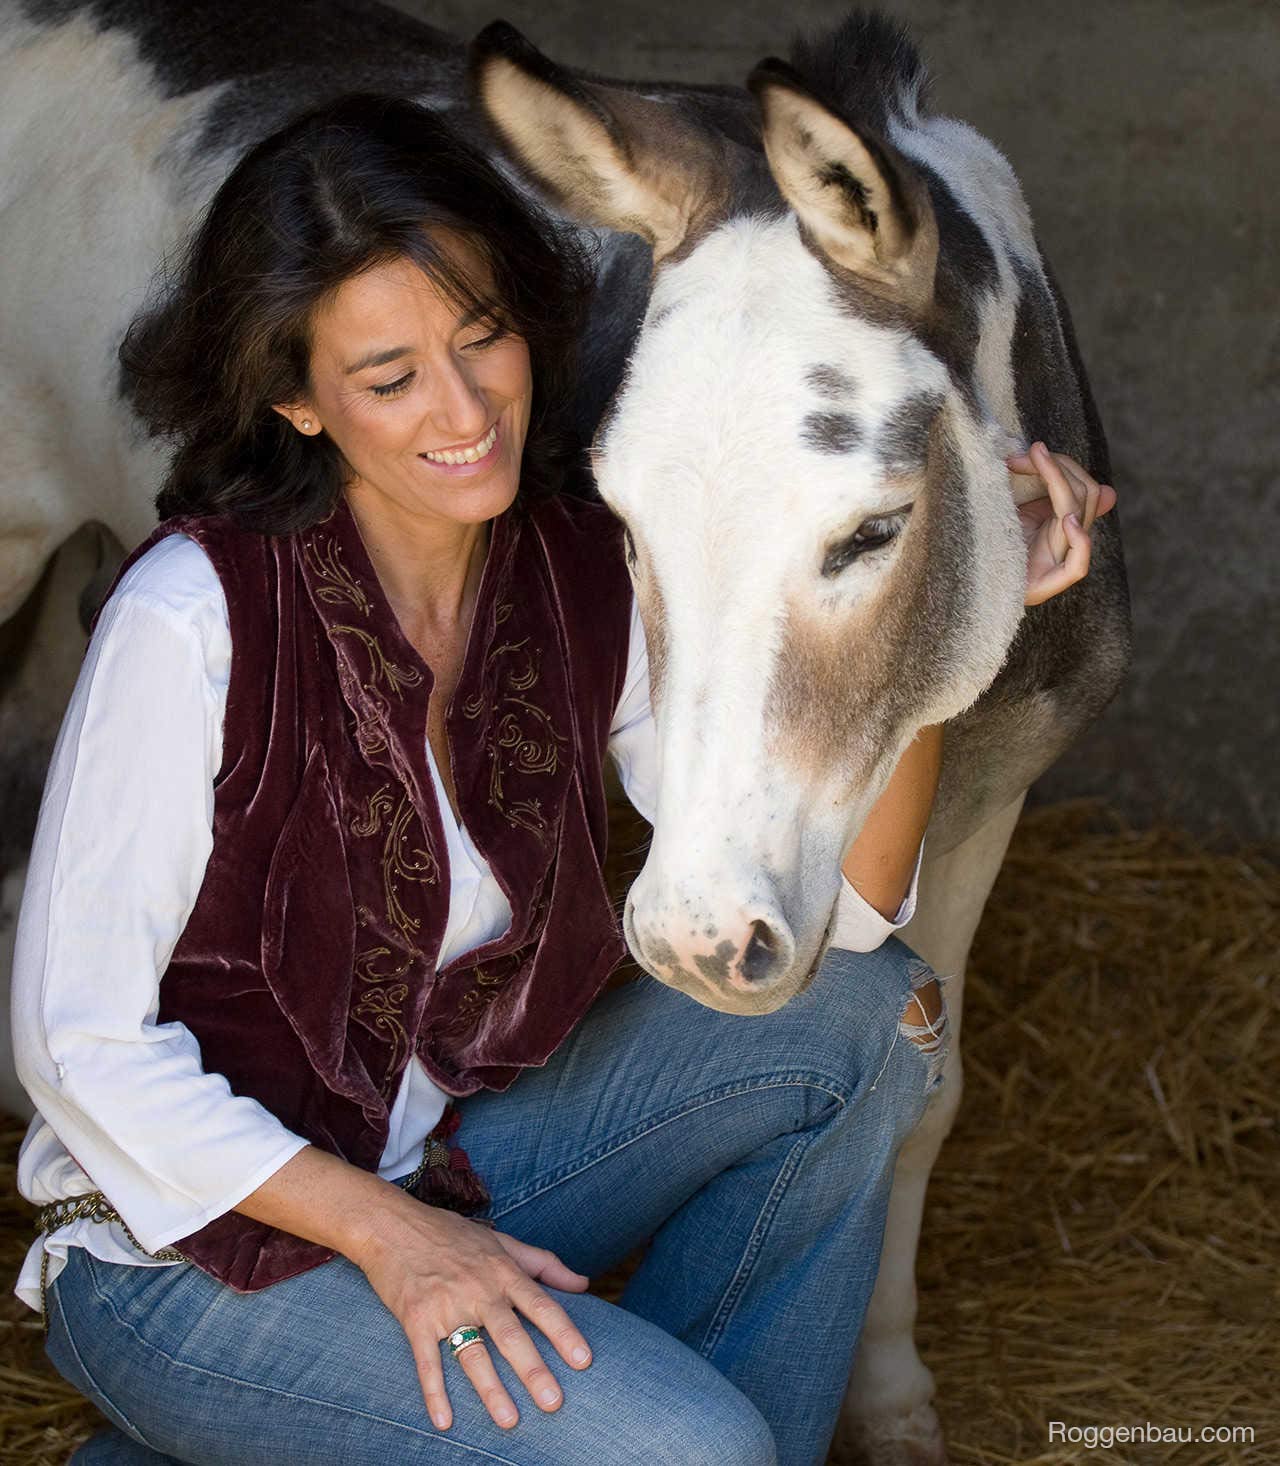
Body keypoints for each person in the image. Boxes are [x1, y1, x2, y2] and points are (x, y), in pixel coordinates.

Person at [9, 93, 1116, 1466]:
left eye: (483, 341)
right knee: (692, 1452)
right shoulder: (193, 616)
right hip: (188, 1254)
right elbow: (76, 1045)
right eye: (390, 375)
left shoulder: (580, 563)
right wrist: (398, 1242)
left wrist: (940, 596)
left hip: (455, 1167)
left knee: (866, 1019)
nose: (464, 411)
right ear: (295, 394)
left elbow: (855, 926)